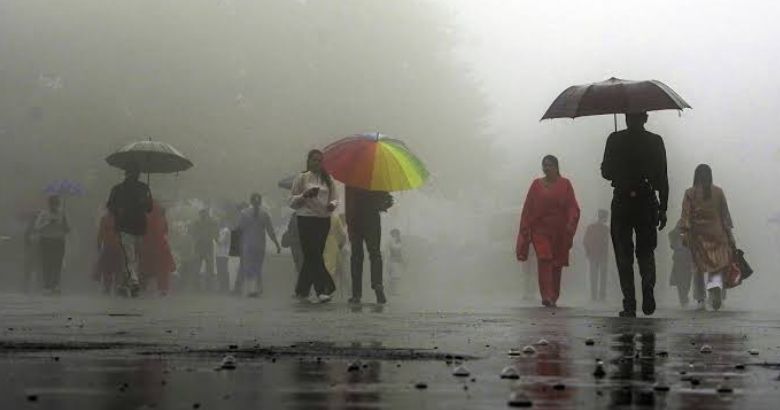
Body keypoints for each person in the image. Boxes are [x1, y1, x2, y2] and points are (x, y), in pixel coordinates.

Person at [601, 112, 668, 317]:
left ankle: (629, 302)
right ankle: (647, 287)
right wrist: (663, 208)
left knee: (623, 254)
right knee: (646, 251)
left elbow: (606, 173)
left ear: (625, 118)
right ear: (645, 118)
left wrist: (614, 165)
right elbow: (662, 176)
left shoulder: (615, 139)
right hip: (646, 201)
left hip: (622, 201)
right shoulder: (655, 141)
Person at [517, 155, 580, 307]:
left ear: (556, 167)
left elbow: (572, 206)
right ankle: (546, 295)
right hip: (540, 230)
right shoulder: (536, 185)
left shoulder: (565, 184)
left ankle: (554, 295)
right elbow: (528, 208)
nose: (546, 168)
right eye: (544, 165)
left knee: (556, 263)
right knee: (544, 258)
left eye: (550, 165)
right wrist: (525, 228)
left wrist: (571, 222)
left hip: (559, 231)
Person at [679, 164, 735, 311]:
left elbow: (686, 215)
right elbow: (725, 215)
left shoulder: (690, 193)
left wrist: (684, 232)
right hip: (717, 234)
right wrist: (730, 236)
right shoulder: (718, 192)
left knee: (698, 268)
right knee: (716, 265)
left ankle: (700, 299)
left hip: (698, 236)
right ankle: (715, 291)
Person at [290, 149, 338, 302]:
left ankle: (302, 289)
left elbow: (335, 198)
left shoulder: (328, 179)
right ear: (308, 161)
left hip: (323, 219)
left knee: (313, 255)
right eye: (314, 160)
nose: (317, 163)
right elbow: (292, 202)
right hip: (306, 218)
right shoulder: (302, 178)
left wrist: (332, 205)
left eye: (319, 161)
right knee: (313, 253)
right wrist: (304, 195)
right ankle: (323, 289)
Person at [106, 164, 153, 297]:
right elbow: (149, 208)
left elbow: (149, 208)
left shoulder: (121, 189)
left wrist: (145, 201)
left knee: (132, 257)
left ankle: (125, 282)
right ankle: (134, 281)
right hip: (131, 227)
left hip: (131, 226)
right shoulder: (141, 188)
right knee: (131, 256)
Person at [345, 186, 393, 304]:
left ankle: (356, 294)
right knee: (375, 254)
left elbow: (348, 204)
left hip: (355, 220)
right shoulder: (377, 181)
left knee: (356, 256)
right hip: (372, 219)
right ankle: (378, 285)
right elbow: (385, 202)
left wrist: (349, 225)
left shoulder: (351, 181)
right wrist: (385, 202)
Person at [236, 193, 281, 297]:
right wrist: (277, 244)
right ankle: (257, 288)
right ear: (260, 202)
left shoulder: (244, 213)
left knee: (248, 266)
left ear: (250, 201)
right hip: (260, 245)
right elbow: (270, 231)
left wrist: (237, 245)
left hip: (248, 244)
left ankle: (250, 289)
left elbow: (239, 229)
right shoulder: (264, 214)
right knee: (258, 267)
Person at [33, 195, 70, 294]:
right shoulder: (43, 214)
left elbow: (67, 229)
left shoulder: (62, 214)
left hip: (59, 241)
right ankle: (47, 286)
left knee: (57, 264)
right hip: (46, 241)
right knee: (47, 264)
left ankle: (56, 285)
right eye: (52, 204)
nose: (54, 206)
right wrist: (48, 223)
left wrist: (63, 224)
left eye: (56, 204)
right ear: (49, 204)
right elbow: (36, 227)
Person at [139, 200, 176, 296]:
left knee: (145, 267)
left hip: (147, 245)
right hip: (160, 246)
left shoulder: (144, 215)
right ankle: (163, 289)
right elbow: (166, 230)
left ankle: (144, 287)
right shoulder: (161, 217)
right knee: (163, 269)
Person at [668, 219, 703, 308]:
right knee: (686, 279)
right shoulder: (693, 221)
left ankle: (684, 299)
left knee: (683, 280)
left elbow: (672, 234)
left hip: (683, 256)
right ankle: (686, 299)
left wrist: (675, 245)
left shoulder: (683, 221)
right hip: (687, 256)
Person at [583, 209, 610, 302]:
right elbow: (606, 244)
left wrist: (588, 252)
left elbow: (585, 241)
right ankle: (601, 296)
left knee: (594, 276)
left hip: (593, 255)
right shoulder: (606, 229)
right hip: (602, 256)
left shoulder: (591, 227)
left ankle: (594, 296)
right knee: (603, 277)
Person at [95, 208, 123, 294]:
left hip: (116, 248)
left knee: (115, 269)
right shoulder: (106, 219)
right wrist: (99, 244)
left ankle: (114, 286)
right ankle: (109, 286)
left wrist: (99, 245)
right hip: (110, 247)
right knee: (109, 269)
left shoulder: (119, 219)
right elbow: (100, 233)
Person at [189, 208, 218, 291]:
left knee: (208, 267)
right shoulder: (197, 223)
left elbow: (214, 233)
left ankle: (207, 287)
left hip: (207, 246)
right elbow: (193, 234)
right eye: (202, 214)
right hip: (201, 246)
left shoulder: (210, 223)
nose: (203, 215)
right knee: (197, 267)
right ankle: (198, 287)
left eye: (204, 214)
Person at [324, 213, 349, 299]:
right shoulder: (335, 218)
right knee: (333, 269)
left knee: (326, 267)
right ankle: (330, 289)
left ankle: (324, 289)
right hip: (333, 245)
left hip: (321, 244)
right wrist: (340, 245)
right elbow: (342, 235)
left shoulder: (318, 217)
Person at [386, 228, 404, 296]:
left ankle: (394, 290)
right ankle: (391, 291)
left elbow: (400, 250)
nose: (396, 235)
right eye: (394, 233)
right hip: (392, 260)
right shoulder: (391, 240)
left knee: (396, 277)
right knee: (393, 276)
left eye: (397, 233)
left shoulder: (398, 241)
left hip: (397, 260)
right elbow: (393, 248)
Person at [215, 219, 232, 293]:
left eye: (219, 222)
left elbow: (221, 241)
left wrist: (214, 237)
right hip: (219, 254)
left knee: (223, 271)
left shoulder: (226, 231)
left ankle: (225, 287)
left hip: (224, 254)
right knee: (220, 271)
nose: (218, 223)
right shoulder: (220, 230)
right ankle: (221, 287)